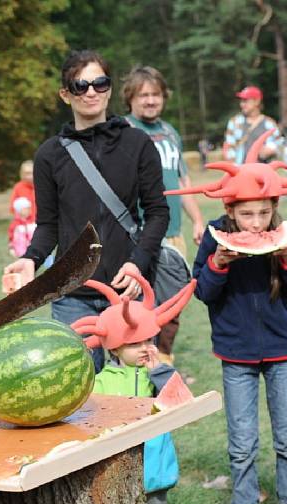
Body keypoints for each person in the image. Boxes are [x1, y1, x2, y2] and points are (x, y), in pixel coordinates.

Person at [166, 131, 287, 504]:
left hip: (282, 350)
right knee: (242, 441)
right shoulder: (214, 238)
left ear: (274, 207)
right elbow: (204, 293)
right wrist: (219, 263)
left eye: (264, 214)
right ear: (230, 211)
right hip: (235, 353)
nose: (257, 223)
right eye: (247, 216)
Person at [4, 49, 169, 374]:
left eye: (99, 83)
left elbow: (157, 213)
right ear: (66, 94)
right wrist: (31, 259)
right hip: (73, 295)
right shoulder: (49, 155)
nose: (91, 92)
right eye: (80, 86)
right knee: (80, 393)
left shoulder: (137, 144)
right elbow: (48, 224)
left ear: (109, 88)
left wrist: (138, 264)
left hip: (129, 290)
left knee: (138, 392)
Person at [71, 271, 196, 504]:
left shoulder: (158, 374)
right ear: (115, 348)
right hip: (116, 476)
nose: (143, 348)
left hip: (154, 474)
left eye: (147, 340)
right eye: (134, 344)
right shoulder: (101, 382)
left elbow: (182, 401)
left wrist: (158, 371)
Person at [122, 65, 204, 365]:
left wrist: (196, 219)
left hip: (173, 234)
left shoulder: (170, 132)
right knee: (134, 308)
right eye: (143, 95)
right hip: (138, 236)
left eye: (156, 94)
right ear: (130, 97)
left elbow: (183, 182)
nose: (150, 101)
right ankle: (133, 369)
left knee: (171, 307)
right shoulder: (123, 131)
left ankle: (164, 366)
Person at [223, 85, 283, 164]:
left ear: (257, 101)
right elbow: (229, 147)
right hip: (241, 171)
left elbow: (279, 145)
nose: (242, 104)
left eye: (245, 101)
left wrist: (271, 150)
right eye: (241, 101)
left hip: (263, 172)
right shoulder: (234, 122)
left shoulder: (269, 123)